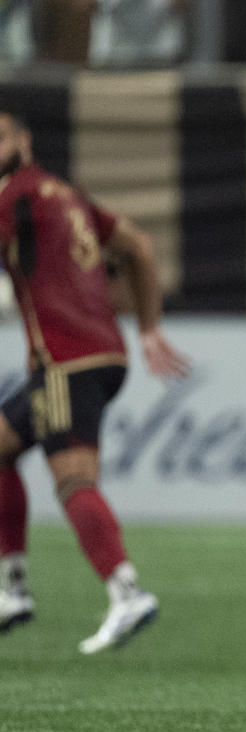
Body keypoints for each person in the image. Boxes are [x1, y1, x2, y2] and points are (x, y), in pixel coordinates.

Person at [0, 110, 189, 653]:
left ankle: (127, 592)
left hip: (64, 361)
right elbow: (140, 247)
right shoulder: (69, 194)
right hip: (105, 351)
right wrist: (149, 329)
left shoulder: (14, 198)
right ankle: (14, 588)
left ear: (24, 139)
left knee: (73, 480)